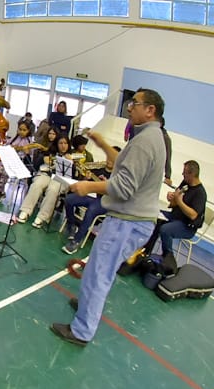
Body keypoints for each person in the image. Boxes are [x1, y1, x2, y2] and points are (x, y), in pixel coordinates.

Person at [52, 88, 166, 347]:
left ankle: (81, 331)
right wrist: (103, 144)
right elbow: (125, 167)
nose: (129, 107)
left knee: (99, 273)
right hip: (132, 220)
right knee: (96, 268)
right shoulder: (149, 137)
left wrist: (88, 187)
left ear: (150, 110)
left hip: (129, 221)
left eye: (134, 103)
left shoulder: (146, 141)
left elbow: (124, 186)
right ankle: (86, 306)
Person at [140, 160, 206, 258]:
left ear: (191, 174)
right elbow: (174, 203)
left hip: (187, 225)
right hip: (174, 216)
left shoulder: (200, 193)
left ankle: (167, 257)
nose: (182, 174)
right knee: (153, 215)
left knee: (165, 230)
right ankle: (145, 251)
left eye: (184, 172)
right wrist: (172, 198)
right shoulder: (185, 183)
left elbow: (193, 215)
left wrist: (179, 201)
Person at [61, 147, 118, 255]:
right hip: (91, 196)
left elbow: (118, 194)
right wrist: (86, 179)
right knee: (69, 199)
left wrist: (107, 186)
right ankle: (71, 224)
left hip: (105, 201)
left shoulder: (118, 176)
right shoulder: (98, 168)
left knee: (91, 210)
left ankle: (76, 241)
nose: (109, 160)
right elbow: (84, 184)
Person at [17, 134, 73, 228]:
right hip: (46, 174)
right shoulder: (50, 152)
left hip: (61, 179)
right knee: (37, 184)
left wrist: (71, 163)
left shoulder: (72, 156)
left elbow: (73, 175)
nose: (63, 145)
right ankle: (25, 211)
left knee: (53, 189)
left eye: (65, 143)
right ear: (57, 144)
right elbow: (36, 164)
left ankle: (42, 217)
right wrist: (43, 158)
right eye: (61, 143)